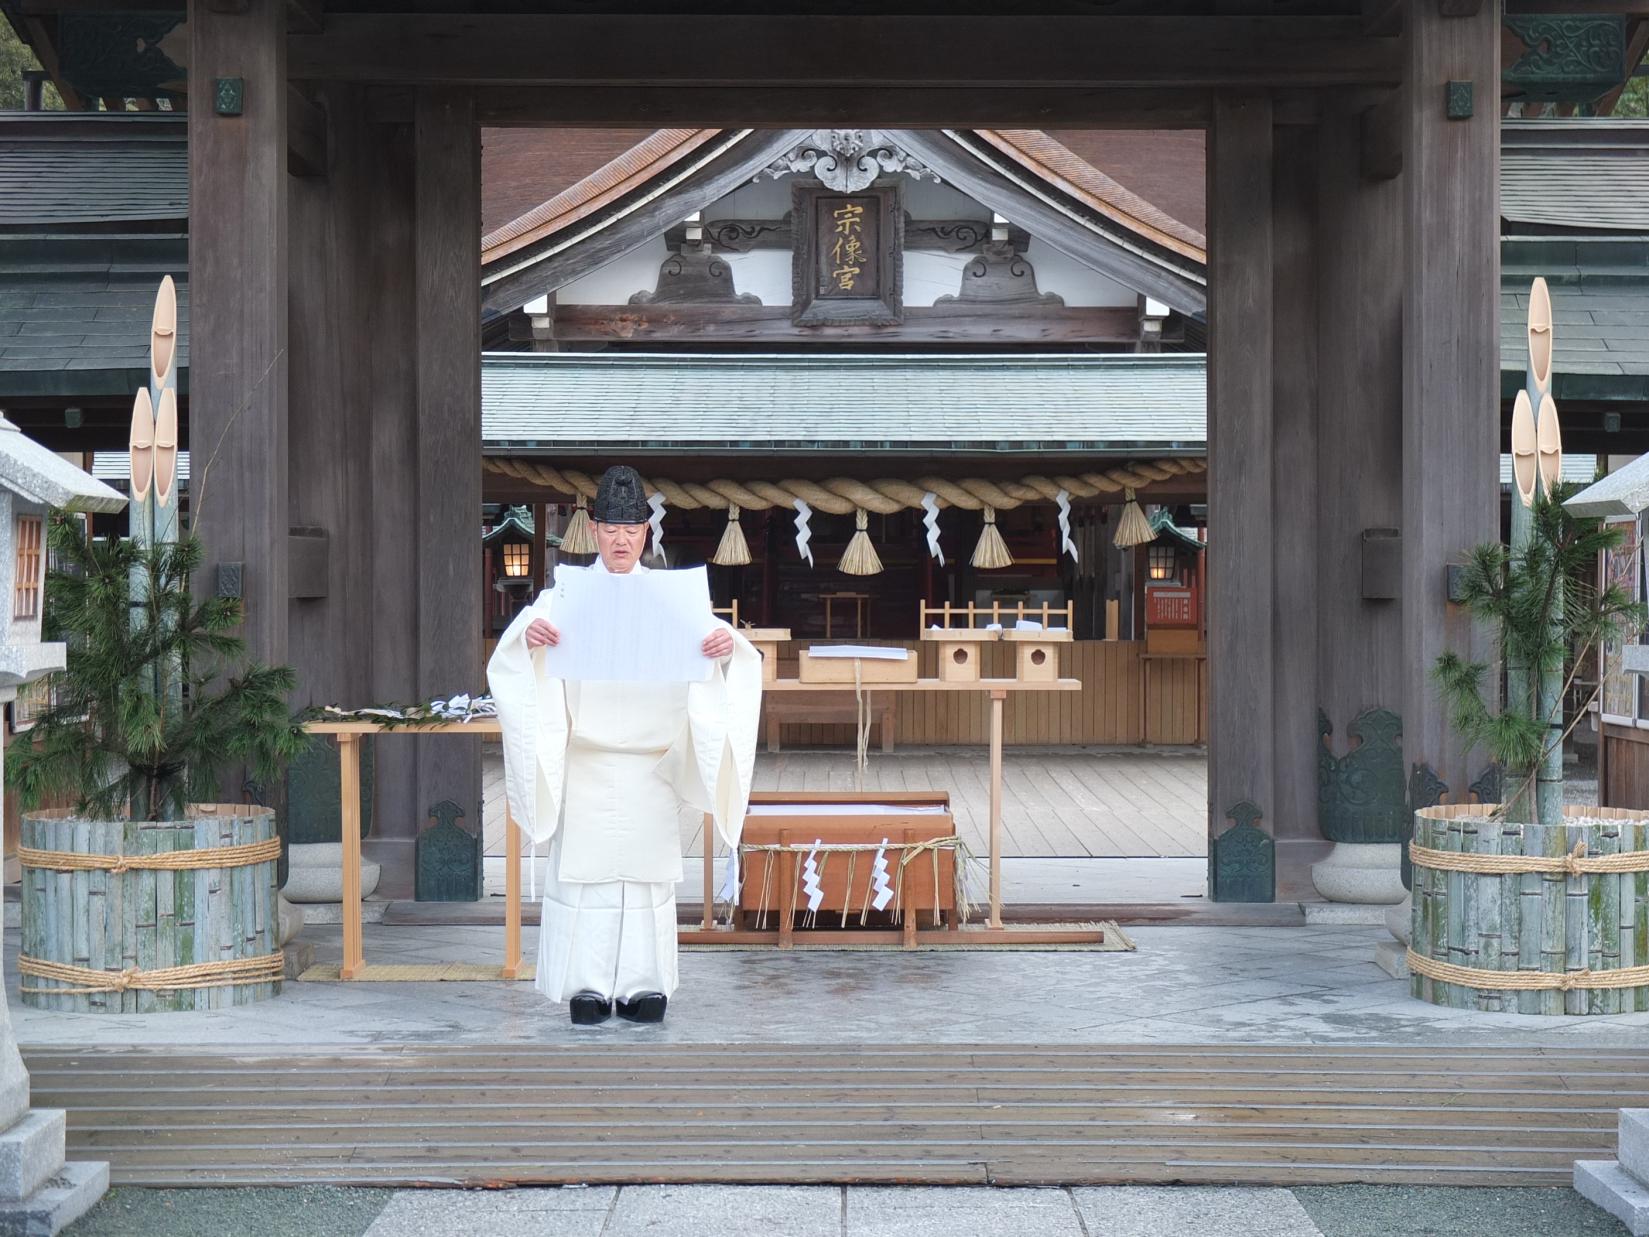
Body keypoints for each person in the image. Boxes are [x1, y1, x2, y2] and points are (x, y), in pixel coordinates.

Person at [487, 465, 761, 1026]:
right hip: (587, 760)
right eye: (610, 527)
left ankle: (645, 984)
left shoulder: (672, 598)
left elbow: (726, 650)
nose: (620, 539)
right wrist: (527, 638)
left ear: (645, 533)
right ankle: (585, 986)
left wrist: (725, 645)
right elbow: (516, 651)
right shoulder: (564, 594)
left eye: (630, 529)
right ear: (594, 528)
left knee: (645, 882)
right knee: (585, 879)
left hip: (649, 764)